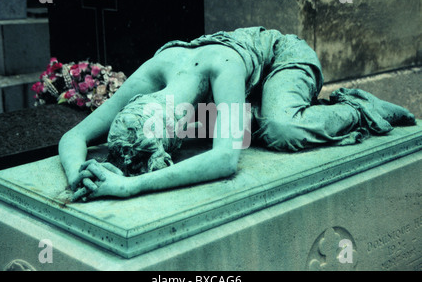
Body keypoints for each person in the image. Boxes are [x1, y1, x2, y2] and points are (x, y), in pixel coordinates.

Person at [58, 26, 416, 201]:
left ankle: (359, 108)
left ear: (176, 126)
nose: (183, 139)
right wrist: (79, 177)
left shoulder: (221, 66)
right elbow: (74, 136)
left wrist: (129, 186)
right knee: (239, 127)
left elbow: (227, 159)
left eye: (178, 137)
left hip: (284, 57)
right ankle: (250, 111)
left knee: (280, 127)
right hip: (238, 90)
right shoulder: (151, 78)